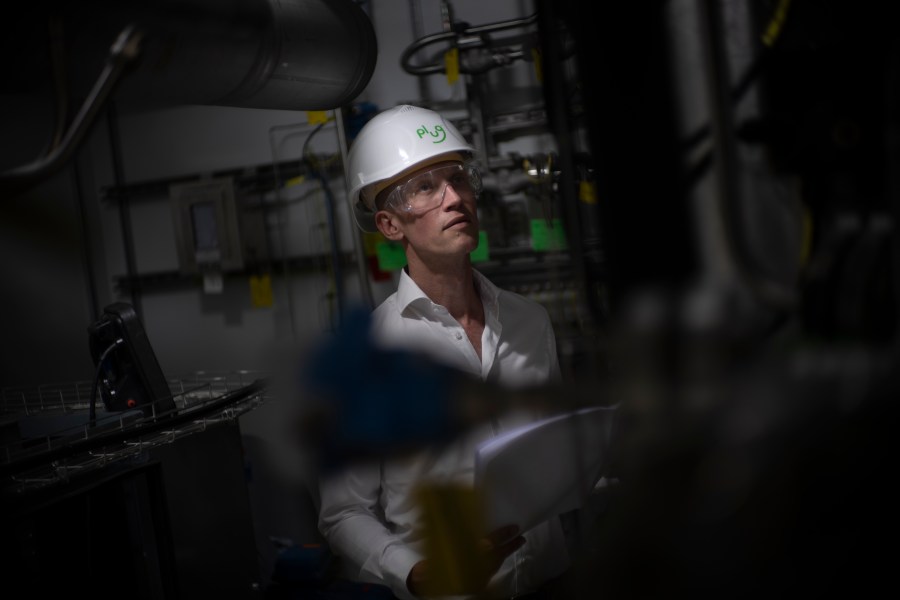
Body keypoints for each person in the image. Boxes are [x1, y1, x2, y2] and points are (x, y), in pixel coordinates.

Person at [317, 104, 570, 599]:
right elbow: (343, 512)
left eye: (458, 178)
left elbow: (558, 457)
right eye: (426, 188)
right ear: (391, 226)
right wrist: (413, 573)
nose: (454, 197)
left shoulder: (529, 322)